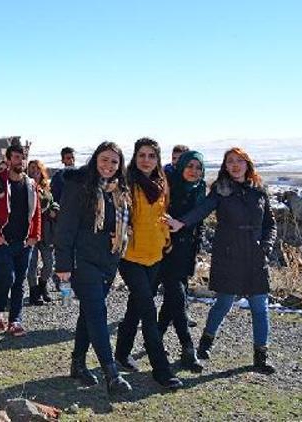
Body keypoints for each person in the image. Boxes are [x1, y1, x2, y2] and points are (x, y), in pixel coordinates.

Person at [168, 147, 277, 374]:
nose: (235, 165)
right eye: (230, 162)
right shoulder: (221, 189)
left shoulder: (260, 190)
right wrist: (181, 223)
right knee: (223, 303)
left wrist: (265, 247)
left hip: (255, 256)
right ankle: (206, 343)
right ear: (225, 166)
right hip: (228, 255)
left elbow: (270, 224)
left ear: (248, 164)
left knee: (260, 307)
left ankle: (261, 356)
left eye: (239, 161)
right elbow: (202, 210)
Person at [54, 141, 132, 394]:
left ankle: (77, 363)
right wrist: (63, 265)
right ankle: (111, 373)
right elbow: (65, 227)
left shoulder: (119, 191)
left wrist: (121, 234)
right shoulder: (79, 186)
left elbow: (122, 224)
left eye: (114, 161)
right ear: (95, 160)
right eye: (104, 159)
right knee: (98, 313)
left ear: (120, 165)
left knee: (88, 313)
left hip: (108, 261)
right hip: (82, 261)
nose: (108, 166)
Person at [113, 138, 183, 390]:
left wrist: (166, 238)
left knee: (136, 305)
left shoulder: (161, 183)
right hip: (130, 257)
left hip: (155, 254)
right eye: (141, 155)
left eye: (151, 156)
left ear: (157, 158)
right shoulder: (127, 182)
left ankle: (121, 352)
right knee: (148, 310)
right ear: (134, 157)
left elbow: (160, 215)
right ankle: (161, 370)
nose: (146, 160)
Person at [0, 143, 41, 337]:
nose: (20, 161)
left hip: (24, 243)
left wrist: (34, 236)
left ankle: (15, 321)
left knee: (19, 282)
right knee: (8, 277)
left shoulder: (31, 184)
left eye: (22, 157)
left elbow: (37, 213)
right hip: (3, 242)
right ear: (8, 160)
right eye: (15, 157)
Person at [155, 150, 206, 372]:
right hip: (168, 251)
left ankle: (154, 338)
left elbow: (199, 223)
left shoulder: (201, 190)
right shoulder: (168, 187)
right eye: (190, 166)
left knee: (172, 302)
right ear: (181, 166)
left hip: (187, 253)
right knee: (178, 297)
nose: (194, 171)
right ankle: (188, 348)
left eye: (198, 168)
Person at [26, 160, 59, 305]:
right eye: (32, 168)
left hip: (46, 231)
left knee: (49, 263)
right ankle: (34, 292)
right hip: (30, 230)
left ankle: (43, 285)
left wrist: (54, 209)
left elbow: (52, 202)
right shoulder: (25, 185)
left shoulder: (46, 188)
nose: (34, 171)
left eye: (37, 169)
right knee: (31, 263)